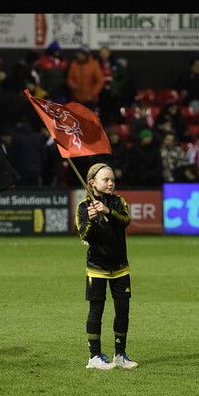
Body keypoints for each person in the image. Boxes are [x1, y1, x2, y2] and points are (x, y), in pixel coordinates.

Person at [75, 163, 136, 370]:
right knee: (96, 311)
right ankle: (94, 357)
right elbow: (85, 236)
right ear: (92, 183)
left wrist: (107, 211)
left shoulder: (119, 202)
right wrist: (92, 220)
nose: (110, 183)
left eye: (112, 180)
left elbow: (125, 221)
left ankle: (120, 355)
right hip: (97, 267)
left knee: (122, 311)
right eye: (106, 180)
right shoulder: (84, 207)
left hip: (120, 266)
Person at [95, 45, 128, 126]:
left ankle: (120, 131)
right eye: (101, 52)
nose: (103, 54)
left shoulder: (116, 65)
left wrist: (117, 86)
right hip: (102, 92)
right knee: (103, 114)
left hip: (113, 92)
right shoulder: (96, 64)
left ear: (109, 53)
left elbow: (124, 78)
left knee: (117, 113)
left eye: (105, 52)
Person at [66, 45, 104, 111]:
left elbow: (100, 81)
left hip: (90, 100)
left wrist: (92, 94)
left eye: (80, 54)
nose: (78, 56)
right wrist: (72, 85)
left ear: (85, 55)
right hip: (77, 98)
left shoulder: (94, 65)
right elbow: (70, 78)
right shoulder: (74, 64)